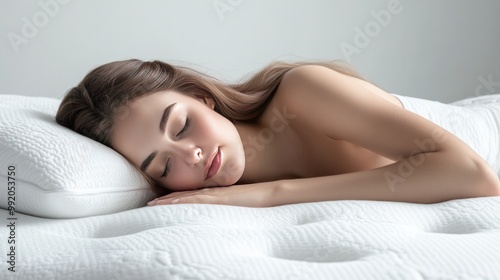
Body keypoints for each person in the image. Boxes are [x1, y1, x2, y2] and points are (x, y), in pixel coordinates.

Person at [55, 59, 500, 207]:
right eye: (163, 164)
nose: (190, 155)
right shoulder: (207, 193)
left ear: (200, 96)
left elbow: (472, 175)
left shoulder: (302, 91)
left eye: (182, 125)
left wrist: (273, 194)